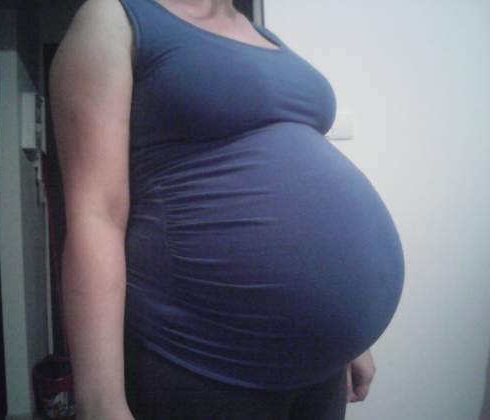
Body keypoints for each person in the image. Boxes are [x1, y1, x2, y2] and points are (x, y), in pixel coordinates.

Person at [48, 0, 405, 418]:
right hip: (201, 356)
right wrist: (100, 401)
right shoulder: (115, 16)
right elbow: (96, 215)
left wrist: (347, 336)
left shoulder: (263, 36)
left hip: (319, 367)